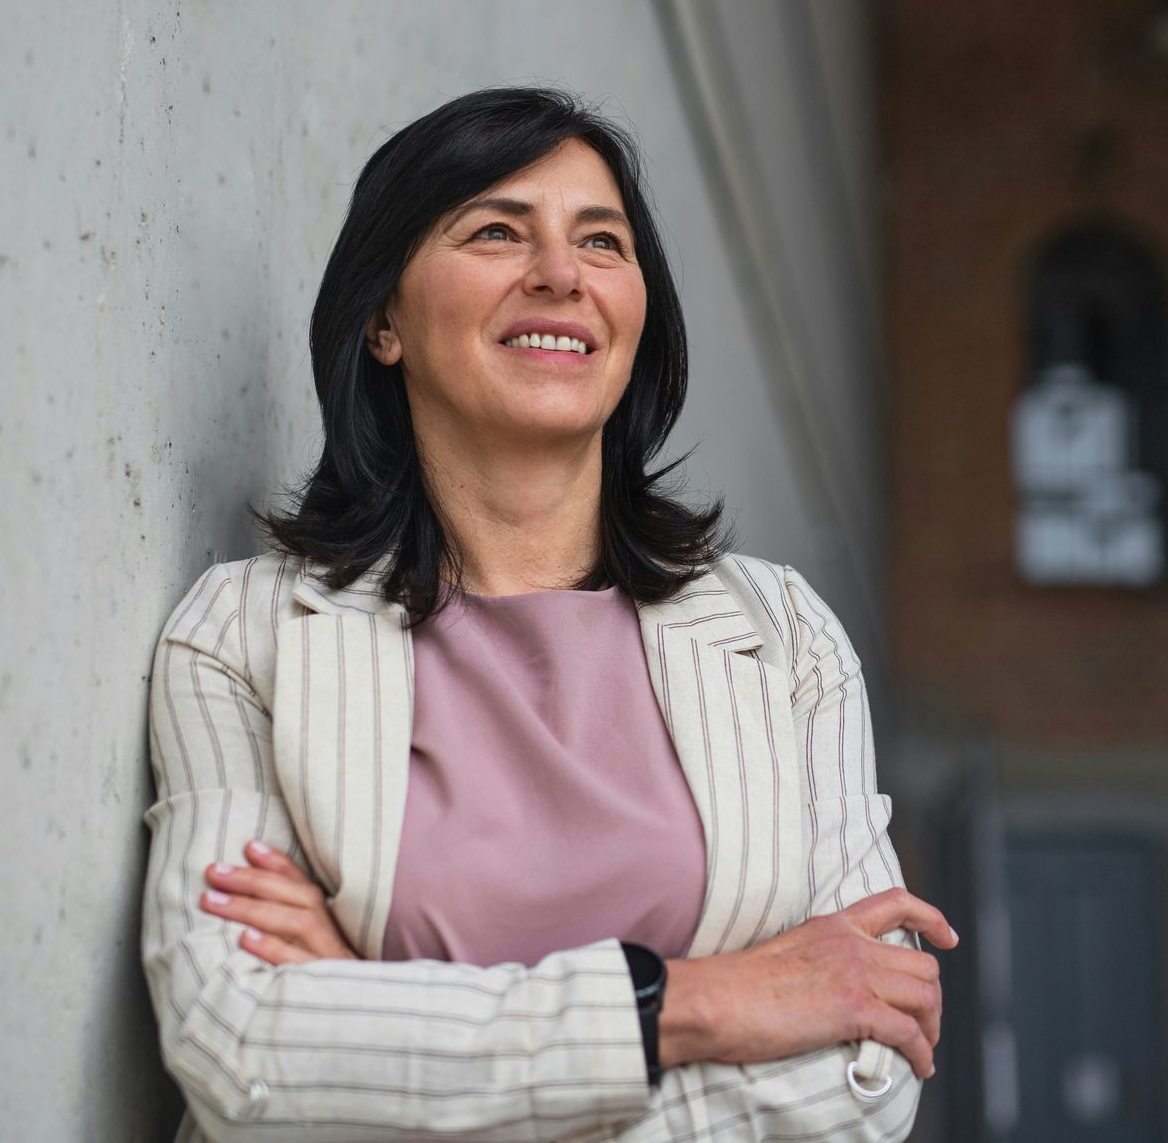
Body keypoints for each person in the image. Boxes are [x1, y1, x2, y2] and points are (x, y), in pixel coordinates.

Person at [139, 84, 957, 1142]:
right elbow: (238, 1046)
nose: (562, 276)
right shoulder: (245, 638)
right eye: (495, 230)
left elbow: (865, 1074)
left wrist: (371, 1011)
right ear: (382, 316)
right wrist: (697, 1001)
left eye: (602, 242)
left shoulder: (783, 634)